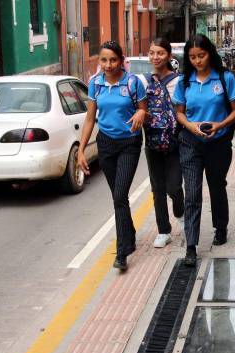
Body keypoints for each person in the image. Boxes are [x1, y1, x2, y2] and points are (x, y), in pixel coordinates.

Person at [172, 34, 235, 267]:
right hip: (190, 143)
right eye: (192, 57)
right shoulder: (184, 82)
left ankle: (220, 227)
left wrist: (219, 125)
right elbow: (179, 112)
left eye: (201, 56)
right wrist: (190, 126)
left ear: (209, 53)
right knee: (191, 193)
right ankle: (191, 246)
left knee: (216, 185)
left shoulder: (224, 78)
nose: (197, 61)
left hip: (218, 143)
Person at [77, 41, 147, 271]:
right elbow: (89, 119)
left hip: (129, 143)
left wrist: (140, 112)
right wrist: (81, 150)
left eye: (113, 60)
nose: (108, 65)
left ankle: (122, 251)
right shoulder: (95, 84)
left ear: (121, 60)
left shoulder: (133, 82)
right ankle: (130, 234)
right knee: (119, 198)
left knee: (119, 195)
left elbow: (143, 108)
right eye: (103, 60)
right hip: (105, 144)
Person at [139, 37, 185, 249]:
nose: (155, 57)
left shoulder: (179, 81)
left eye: (160, 53)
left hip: (175, 142)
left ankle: (180, 211)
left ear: (168, 56)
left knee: (174, 187)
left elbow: (185, 110)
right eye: (152, 53)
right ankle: (163, 230)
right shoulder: (143, 81)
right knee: (157, 189)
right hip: (152, 142)